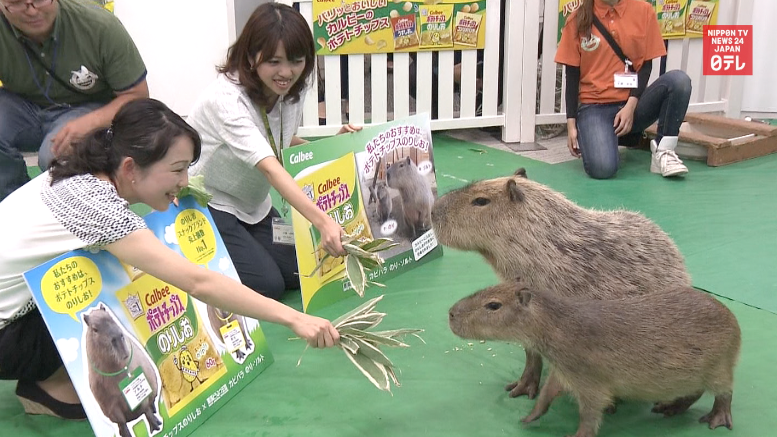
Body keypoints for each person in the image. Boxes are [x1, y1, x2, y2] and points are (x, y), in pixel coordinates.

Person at [0, 98, 340, 420]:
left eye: (187, 169)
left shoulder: (84, 173)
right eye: (177, 170)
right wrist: (294, 318)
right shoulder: (98, 209)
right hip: (7, 337)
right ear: (130, 167)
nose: (184, 181)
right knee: (110, 305)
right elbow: (198, 282)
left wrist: (174, 187)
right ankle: (47, 383)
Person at [186, 3, 359, 301]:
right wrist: (323, 222)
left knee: (298, 272)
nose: (286, 72)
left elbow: (279, 140)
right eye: (274, 61)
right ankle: (186, 250)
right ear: (251, 56)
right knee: (269, 285)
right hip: (211, 203)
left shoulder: (291, 89)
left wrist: (333, 144)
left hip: (254, 203)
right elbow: (269, 166)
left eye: (296, 61)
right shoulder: (226, 100)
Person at [0, 0, 149, 201]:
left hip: (86, 106)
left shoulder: (99, 26)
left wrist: (91, 123)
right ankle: (11, 203)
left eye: (40, 0)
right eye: (17, 3)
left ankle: (73, 212)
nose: (32, 11)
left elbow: (137, 96)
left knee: (55, 157)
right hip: (23, 105)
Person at [555, 0, 692, 179]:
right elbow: (572, 77)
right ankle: (608, 136)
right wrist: (571, 126)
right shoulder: (576, 19)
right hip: (595, 106)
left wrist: (631, 105)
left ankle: (663, 150)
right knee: (603, 169)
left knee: (679, 81)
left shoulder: (644, 11)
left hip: (633, 102)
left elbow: (645, 66)